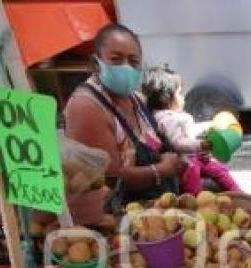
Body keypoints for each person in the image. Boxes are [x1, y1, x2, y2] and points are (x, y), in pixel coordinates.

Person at [64, 23, 180, 204]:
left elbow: (154, 142)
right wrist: (162, 170)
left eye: (133, 61)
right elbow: (110, 179)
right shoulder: (86, 106)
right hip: (122, 215)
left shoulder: (135, 98)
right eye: (116, 59)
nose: (126, 67)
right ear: (96, 64)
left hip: (161, 205)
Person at [141, 66, 241, 196]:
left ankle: (238, 193)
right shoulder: (166, 119)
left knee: (216, 167)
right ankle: (195, 202)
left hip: (191, 157)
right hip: (182, 163)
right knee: (194, 172)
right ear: (166, 98)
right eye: (180, 93)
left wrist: (209, 125)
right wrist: (200, 145)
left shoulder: (173, 115)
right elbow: (178, 143)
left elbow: (189, 131)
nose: (183, 97)